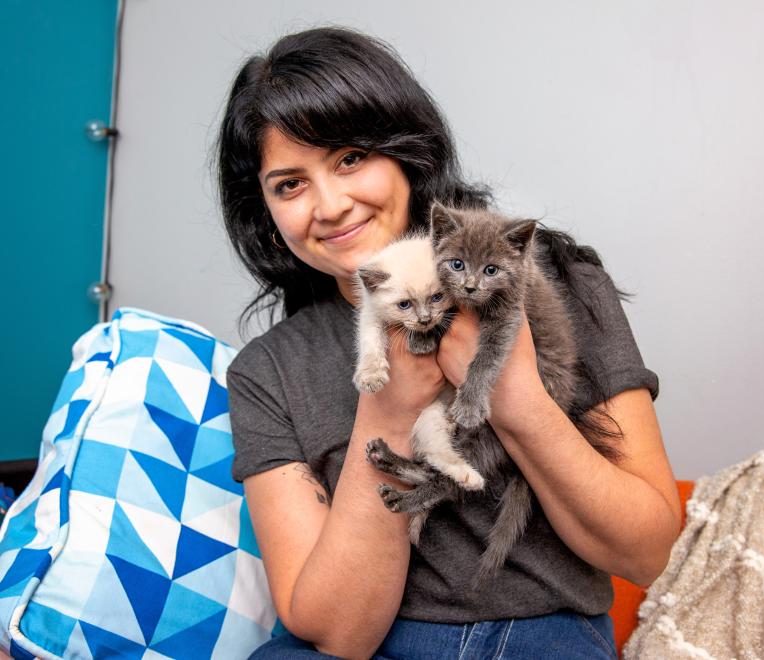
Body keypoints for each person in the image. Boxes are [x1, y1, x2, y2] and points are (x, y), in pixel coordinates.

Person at [218, 26, 681, 659]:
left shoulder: (557, 285)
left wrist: (513, 393)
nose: (330, 205)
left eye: (351, 158)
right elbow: (336, 634)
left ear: (406, 155)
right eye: (289, 184)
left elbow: (649, 552)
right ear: (267, 218)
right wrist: (390, 411)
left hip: (538, 633)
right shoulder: (267, 372)